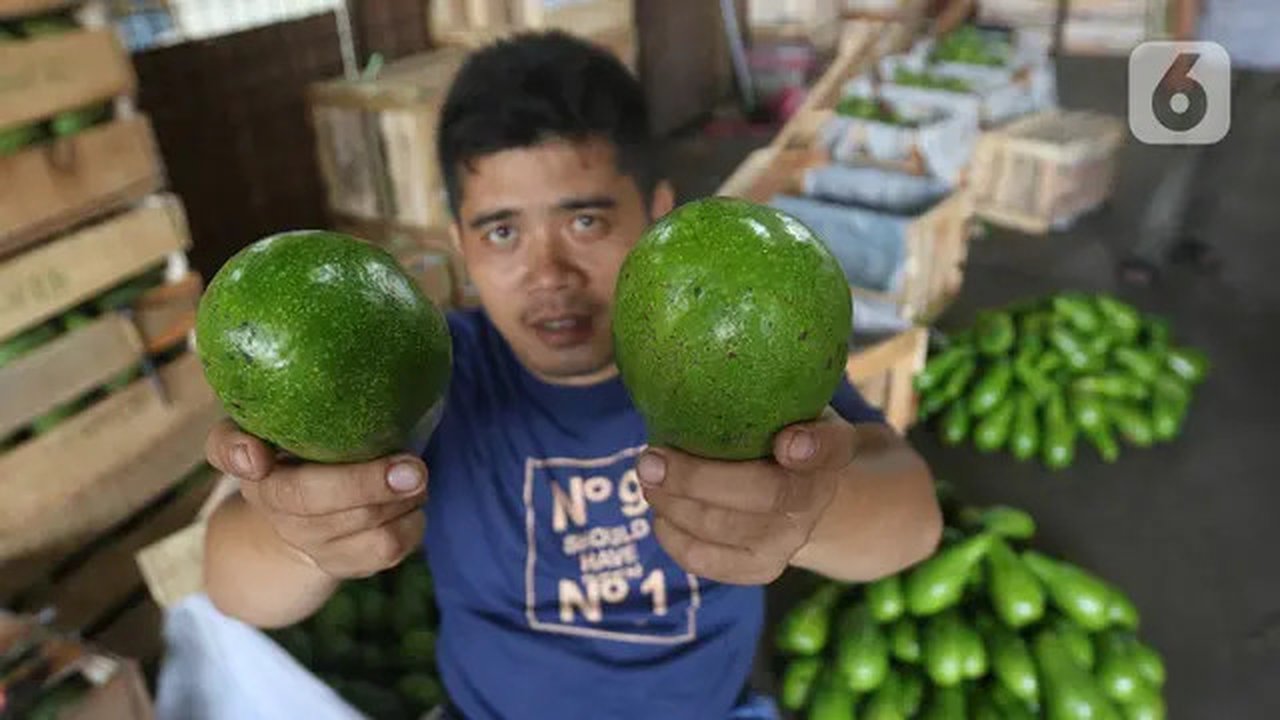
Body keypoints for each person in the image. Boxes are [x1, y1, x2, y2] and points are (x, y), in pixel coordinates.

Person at [201, 31, 942, 720]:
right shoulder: (424, 375)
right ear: (459, 242)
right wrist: (302, 534)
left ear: (656, 213)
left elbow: (911, 521)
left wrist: (813, 510)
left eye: (585, 222)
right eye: (501, 232)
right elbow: (233, 584)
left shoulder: (734, 353)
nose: (548, 274)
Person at [1119, 0, 1280, 286]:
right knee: (1188, 155)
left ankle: (1192, 236)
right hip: (1215, 52)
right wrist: (1182, 52)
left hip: (1269, 60)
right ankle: (1149, 249)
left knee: (1231, 155)